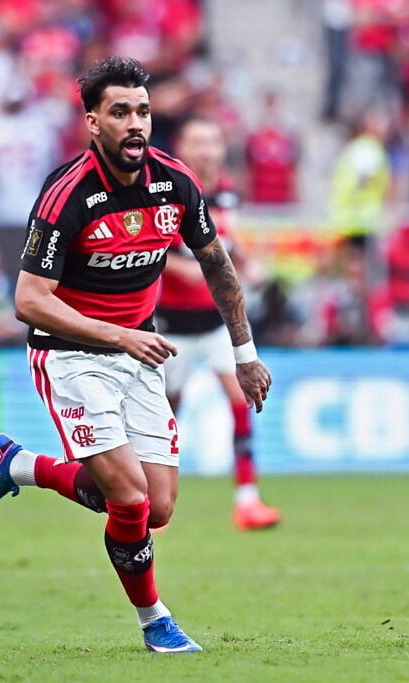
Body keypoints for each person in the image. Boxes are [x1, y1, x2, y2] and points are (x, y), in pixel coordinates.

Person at [0, 57, 272, 654]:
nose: (136, 124)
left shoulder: (175, 182)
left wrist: (245, 352)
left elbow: (217, 264)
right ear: (92, 122)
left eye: (143, 111)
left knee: (156, 507)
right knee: (129, 498)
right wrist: (118, 335)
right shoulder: (67, 195)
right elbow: (29, 301)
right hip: (71, 356)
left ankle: (19, 464)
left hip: (138, 355)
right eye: (120, 112)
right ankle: (155, 621)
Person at [156, 117, 281, 531]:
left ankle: (247, 500)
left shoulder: (226, 192)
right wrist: (184, 270)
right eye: (198, 141)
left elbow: (227, 241)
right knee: (167, 413)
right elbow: (147, 252)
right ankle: (154, 500)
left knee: (242, 398)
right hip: (171, 326)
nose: (207, 150)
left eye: (213, 141)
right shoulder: (165, 189)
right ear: (183, 147)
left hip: (216, 324)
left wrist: (246, 261)